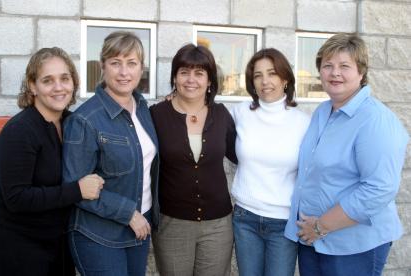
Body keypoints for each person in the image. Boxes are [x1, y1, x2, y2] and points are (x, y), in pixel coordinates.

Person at [284, 33, 409, 276]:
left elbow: (379, 188)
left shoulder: (375, 120)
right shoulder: (322, 111)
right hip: (313, 240)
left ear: (361, 73)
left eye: (344, 66)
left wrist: (321, 226)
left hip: (353, 246)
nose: (334, 73)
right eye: (327, 66)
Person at [0, 47, 104, 276]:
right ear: (33, 86)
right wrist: (77, 190)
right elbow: (17, 198)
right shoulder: (20, 131)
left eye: (64, 78)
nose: (58, 87)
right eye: (47, 80)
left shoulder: (72, 124)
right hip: (19, 249)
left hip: (58, 244)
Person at [62, 31, 159, 276]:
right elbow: (75, 187)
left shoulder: (143, 109)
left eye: (131, 63)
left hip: (139, 227)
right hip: (98, 235)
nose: (124, 72)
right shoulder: (85, 120)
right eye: (115, 63)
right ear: (102, 66)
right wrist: (128, 214)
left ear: (142, 68)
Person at [150, 43, 237, 276]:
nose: (191, 79)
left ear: (210, 81)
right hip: (172, 223)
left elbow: (242, 155)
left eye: (199, 73)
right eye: (184, 72)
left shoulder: (221, 115)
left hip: (218, 224)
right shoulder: (156, 115)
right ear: (175, 77)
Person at [231, 48, 310, 276]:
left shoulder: (304, 123)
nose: (265, 81)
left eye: (272, 73)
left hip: (283, 223)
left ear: (285, 78)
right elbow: (204, 115)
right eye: (258, 75)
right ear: (252, 82)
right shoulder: (239, 113)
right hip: (245, 218)